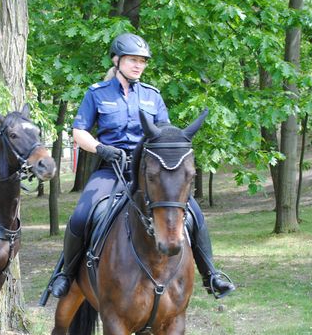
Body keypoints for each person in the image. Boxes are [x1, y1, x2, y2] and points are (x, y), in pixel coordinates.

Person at [50, 33, 235, 298]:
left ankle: (211, 275)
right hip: (110, 169)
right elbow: (79, 132)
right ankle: (66, 275)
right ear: (117, 60)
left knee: (194, 214)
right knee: (81, 214)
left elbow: (165, 132)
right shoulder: (96, 94)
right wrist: (101, 148)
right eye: (133, 60)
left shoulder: (152, 96)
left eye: (142, 61)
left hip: (150, 172)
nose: (138, 65)